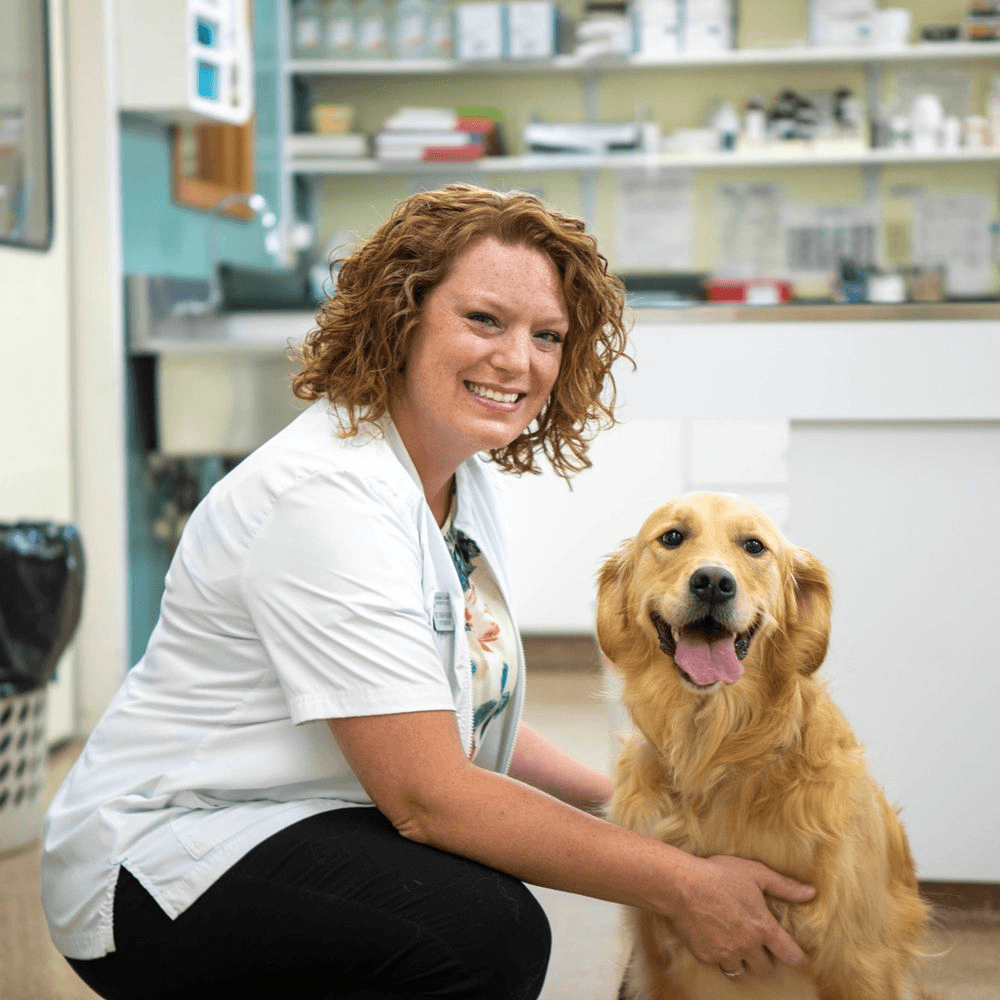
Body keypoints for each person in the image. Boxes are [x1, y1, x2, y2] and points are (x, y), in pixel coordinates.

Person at [41, 184, 816, 1000]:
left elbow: (452, 704)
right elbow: (426, 797)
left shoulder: (454, 480)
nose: (518, 360)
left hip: (298, 812)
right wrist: (680, 881)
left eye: (546, 336)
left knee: (479, 910)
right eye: (485, 320)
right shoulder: (324, 498)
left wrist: (628, 804)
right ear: (399, 316)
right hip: (164, 856)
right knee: (477, 929)